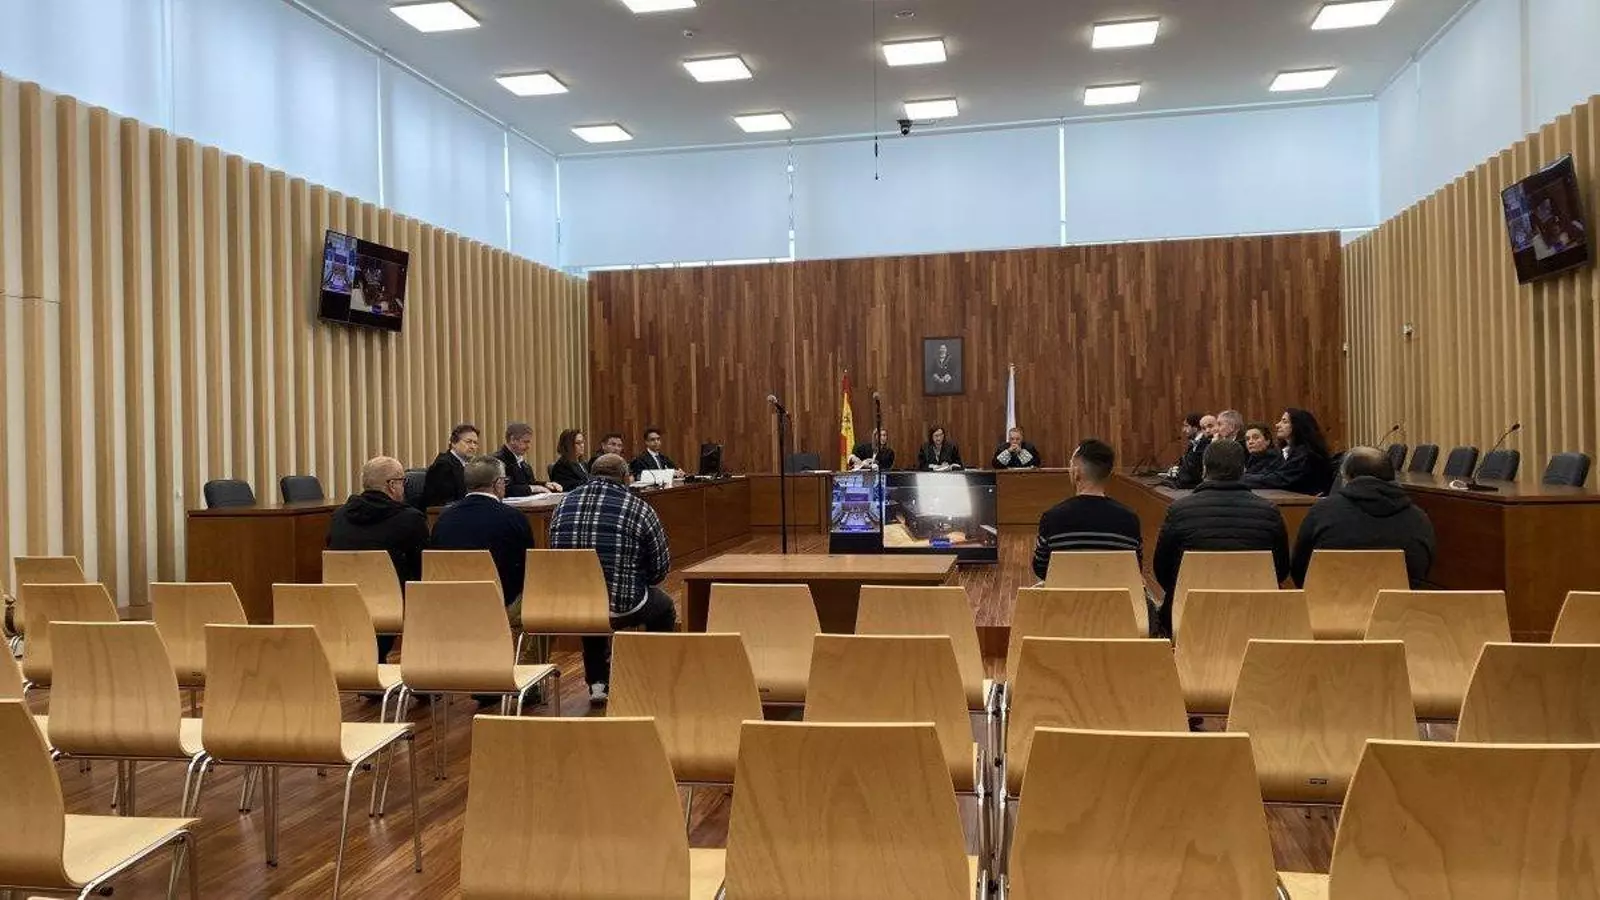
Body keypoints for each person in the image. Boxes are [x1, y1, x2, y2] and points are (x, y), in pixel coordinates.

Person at [548, 454, 675, 705]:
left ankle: (598, 683)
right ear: (626, 477)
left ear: (590, 475)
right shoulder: (639, 508)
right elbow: (660, 569)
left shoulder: (563, 505)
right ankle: (652, 676)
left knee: (590, 603)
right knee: (665, 607)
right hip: (625, 604)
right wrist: (641, 579)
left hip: (575, 602)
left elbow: (556, 554)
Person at [1152, 440, 1290, 639]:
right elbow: (1280, 569)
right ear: (1243, 470)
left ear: (1204, 469)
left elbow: (1162, 569)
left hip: (1189, 613)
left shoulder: (1179, 510)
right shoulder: (1269, 512)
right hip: (1257, 614)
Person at [327, 456, 429, 662]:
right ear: (391, 485)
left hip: (345, 602)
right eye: (403, 481)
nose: (404, 487)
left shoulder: (339, 517)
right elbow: (424, 568)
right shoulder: (410, 519)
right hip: (394, 604)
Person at [1291, 447, 1436, 587]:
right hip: (1398, 603)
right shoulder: (1419, 519)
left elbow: (1299, 571)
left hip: (1325, 601)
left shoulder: (1322, 511)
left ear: (1346, 477)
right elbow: (1423, 570)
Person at [430, 456, 535, 617]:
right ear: (497, 483)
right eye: (504, 481)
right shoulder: (513, 518)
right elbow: (528, 568)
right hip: (500, 606)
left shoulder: (443, 519)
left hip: (449, 604)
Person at [1031, 439, 1143, 580]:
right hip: (1113, 593)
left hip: (1065, 593)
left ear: (1076, 472)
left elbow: (1041, 568)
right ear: (1108, 474)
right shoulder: (1130, 519)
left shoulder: (1052, 518)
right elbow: (1135, 568)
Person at [1242, 408, 1335, 496]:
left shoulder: (1306, 454)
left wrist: (1239, 479)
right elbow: (1268, 474)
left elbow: (1278, 480)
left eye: (1284, 421)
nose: (1277, 425)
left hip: (1307, 503)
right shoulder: (1287, 452)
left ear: (1297, 426)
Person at [419, 423, 478, 510]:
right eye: (469, 442)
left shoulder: (470, 466)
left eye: (475, 443)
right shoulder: (443, 466)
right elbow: (444, 502)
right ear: (454, 443)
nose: (473, 447)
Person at [494, 422, 562, 497]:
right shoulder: (497, 461)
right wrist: (533, 488)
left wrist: (545, 484)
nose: (528, 446)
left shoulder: (521, 461)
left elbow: (529, 483)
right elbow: (506, 489)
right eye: (525, 442)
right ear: (512, 440)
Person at [1172, 413, 1213, 488]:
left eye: (1186, 426)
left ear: (1195, 428)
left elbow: (1196, 471)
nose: (1183, 430)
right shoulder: (1194, 443)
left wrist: (1179, 473)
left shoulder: (1206, 443)